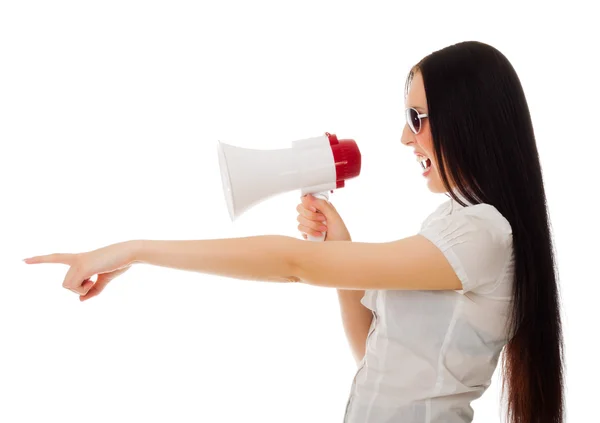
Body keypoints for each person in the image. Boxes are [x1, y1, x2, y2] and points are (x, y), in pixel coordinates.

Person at [23, 41, 564, 423]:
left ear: (468, 119)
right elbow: (374, 359)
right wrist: (342, 248)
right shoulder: (445, 225)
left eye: (417, 118)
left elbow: (293, 265)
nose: (404, 136)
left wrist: (135, 250)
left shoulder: (483, 234)